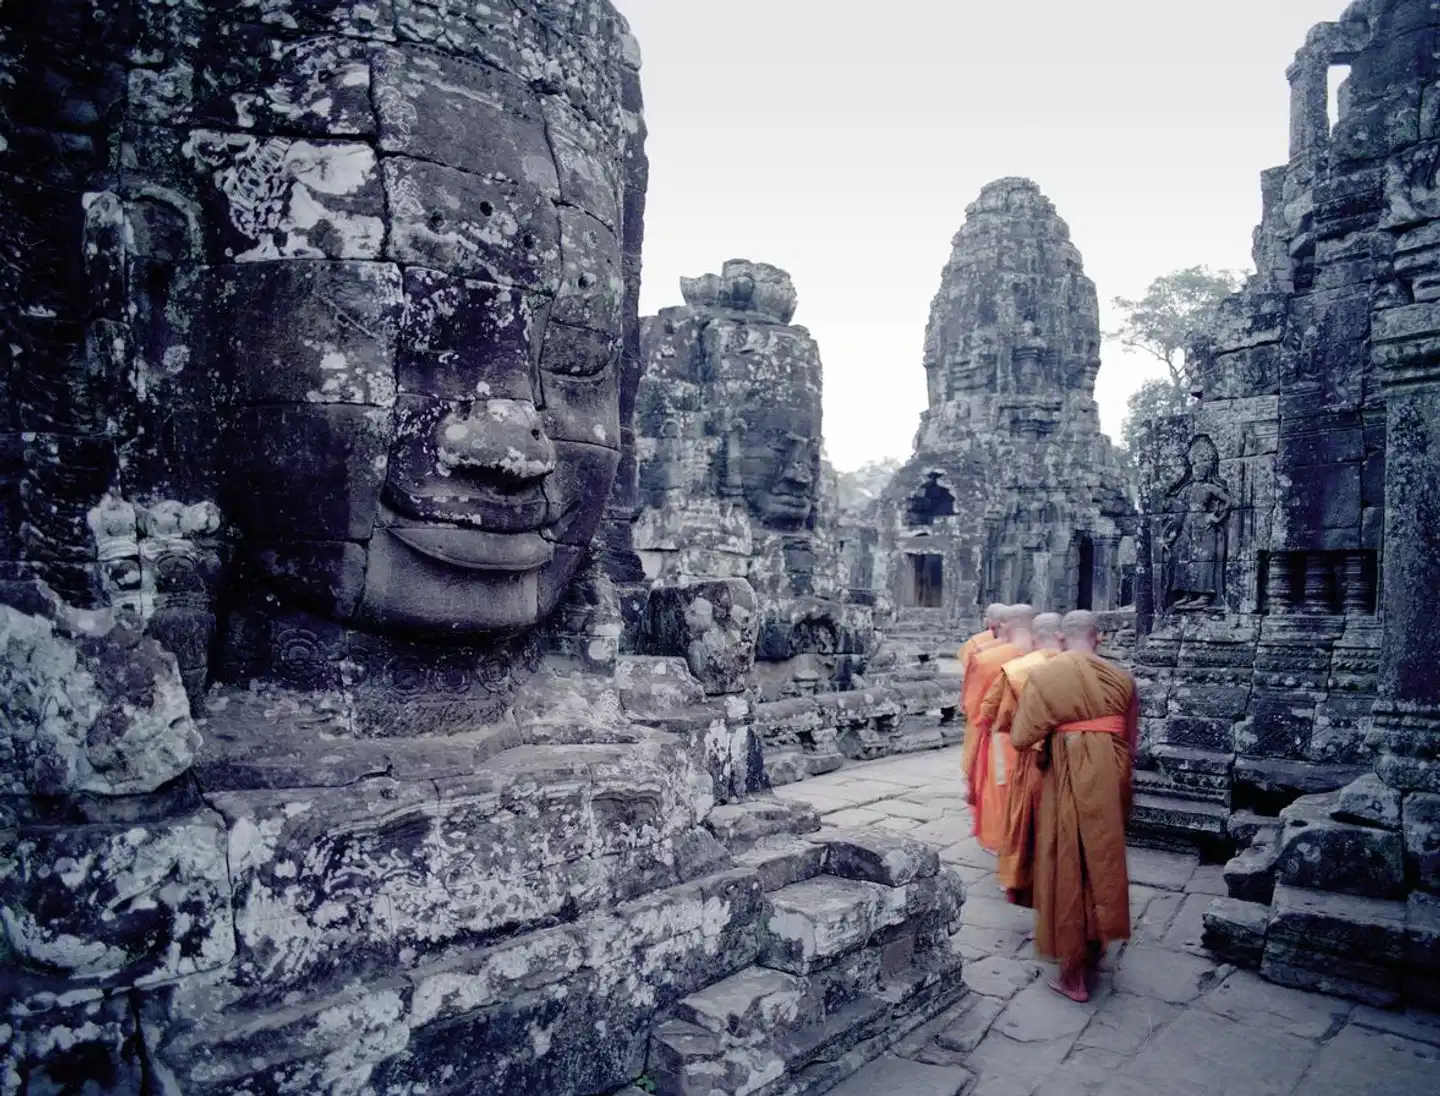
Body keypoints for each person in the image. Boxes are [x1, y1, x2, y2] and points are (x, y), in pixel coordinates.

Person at [1010, 610, 1139, 1003]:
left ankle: (1072, 974)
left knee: (1068, 860)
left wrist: (1063, 735)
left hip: (1065, 778)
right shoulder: (1123, 679)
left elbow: (1021, 736)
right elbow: (1130, 740)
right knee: (1100, 856)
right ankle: (1097, 938)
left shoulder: (1046, 676)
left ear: (1062, 639)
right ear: (1097, 638)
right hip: (1110, 779)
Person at [985, 612, 1064, 900]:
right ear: (1062, 636)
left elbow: (997, 714)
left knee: (1027, 824)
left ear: (1033, 636)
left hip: (1033, 760)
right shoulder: (1084, 670)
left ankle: (1024, 880)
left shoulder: (1019, 670)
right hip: (1079, 758)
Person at [970, 608, 1043, 852]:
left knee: (1001, 789)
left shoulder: (986, 658)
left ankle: (1004, 842)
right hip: (1044, 738)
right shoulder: (1050, 657)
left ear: (1003, 625)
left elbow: (975, 706)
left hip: (1001, 734)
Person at [960, 603, 1009, 781]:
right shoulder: (1030, 650)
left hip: (982, 709)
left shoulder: (976, 645)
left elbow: (968, 675)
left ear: (989, 622)